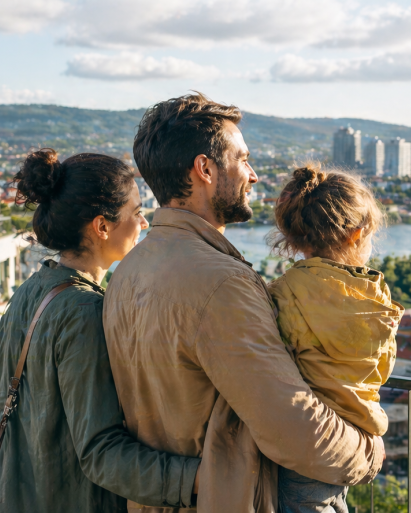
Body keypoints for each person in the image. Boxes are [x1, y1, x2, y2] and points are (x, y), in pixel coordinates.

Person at [103, 93, 384, 513]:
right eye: (243, 160)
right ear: (205, 169)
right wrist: (369, 453)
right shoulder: (223, 283)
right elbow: (293, 428)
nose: (252, 176)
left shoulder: (128, 271)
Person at [0, 150, 200, 513]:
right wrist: (200, 478)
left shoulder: (29, 291)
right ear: (102, 227)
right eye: (137, 213)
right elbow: (101, 452)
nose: (145, 224)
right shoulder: (85, 312)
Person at [267, 165, 404, 513]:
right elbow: (382, 369)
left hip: (305, 442)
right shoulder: (377, 300)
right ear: (355, 235)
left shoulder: (282, 294)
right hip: (356, 437)